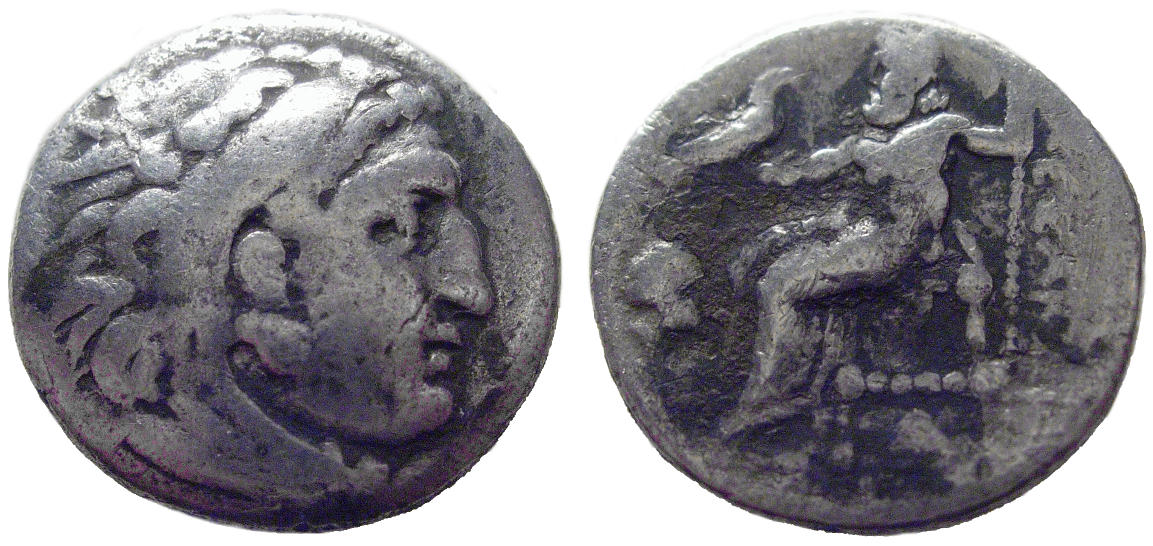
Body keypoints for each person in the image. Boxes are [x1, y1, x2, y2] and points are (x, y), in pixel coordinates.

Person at [718, 26, 1034, 437]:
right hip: (866, 235)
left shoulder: (942, 129)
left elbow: (1014, 143)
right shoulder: (862, 142)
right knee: (767, 266)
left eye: (885, 72)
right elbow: (812, 169)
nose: (873, 80)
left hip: (896, 248)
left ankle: (769, 399)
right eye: (877, 71)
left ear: (916, 83)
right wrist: (772, 172)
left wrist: (1022, 95)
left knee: (779, 284)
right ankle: (792, 388)